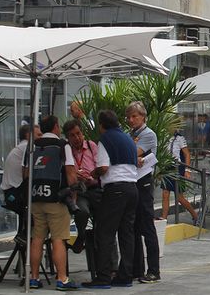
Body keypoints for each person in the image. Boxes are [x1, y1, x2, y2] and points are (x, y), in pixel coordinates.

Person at [82, 110, 139, 289]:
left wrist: (93, 173)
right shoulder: (128, 139)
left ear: (101, 125)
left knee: (104, 232)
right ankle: (126, 275)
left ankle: (104, 276)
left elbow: (104, 167)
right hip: (132, 188)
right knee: (126, 233)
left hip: (115, 189)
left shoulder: (105, 139)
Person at [24, 115, 79, 290]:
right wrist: (74, 194)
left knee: (37, 237)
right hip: (56, 198)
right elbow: (70, 172)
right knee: (58, 239)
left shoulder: (32, 146)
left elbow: (25, 173)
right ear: (56, 126)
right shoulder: (63, 146)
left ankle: (33, 278)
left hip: (36, 197)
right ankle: (62, 279)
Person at [125, 101, 160, 284]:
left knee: (147, 225)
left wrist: (132, 154)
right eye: (129, 117)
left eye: (134, 116)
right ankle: (136, 269)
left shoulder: (148, 134)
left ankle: (154, 270)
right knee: (134, 227)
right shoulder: (128, 134)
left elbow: (128, 152)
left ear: (143, 117)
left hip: (144, 182)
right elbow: (126, 153)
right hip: (131, 181)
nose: (131, 120)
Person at [63, 119, 100, 254]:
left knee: (103, 217)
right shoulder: (66, 151)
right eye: (72, 135)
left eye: (78, 133)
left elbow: (100, 166)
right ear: (68, 137)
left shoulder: (91, 146)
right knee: (81, 211)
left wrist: (92, 176)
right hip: (79, 192)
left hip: (94, 188)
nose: (77, 138)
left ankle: (108, 264)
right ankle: (82, 235)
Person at [2, 125, 40, 245]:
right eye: (39, 135)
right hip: (15, 194)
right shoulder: (28, 147)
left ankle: (24, 237)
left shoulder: (20, 147)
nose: (42, 137)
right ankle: (25, 236)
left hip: (10, 193)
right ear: (28, 135)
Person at [160, 129, 199, 224]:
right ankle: (164, 218)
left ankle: (195, 216)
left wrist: (187, 170)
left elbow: (187, 154)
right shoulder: (164, 137)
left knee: (179, 197)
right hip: (167, 166)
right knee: (165, 194)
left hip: (178, 167)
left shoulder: (180, 138)